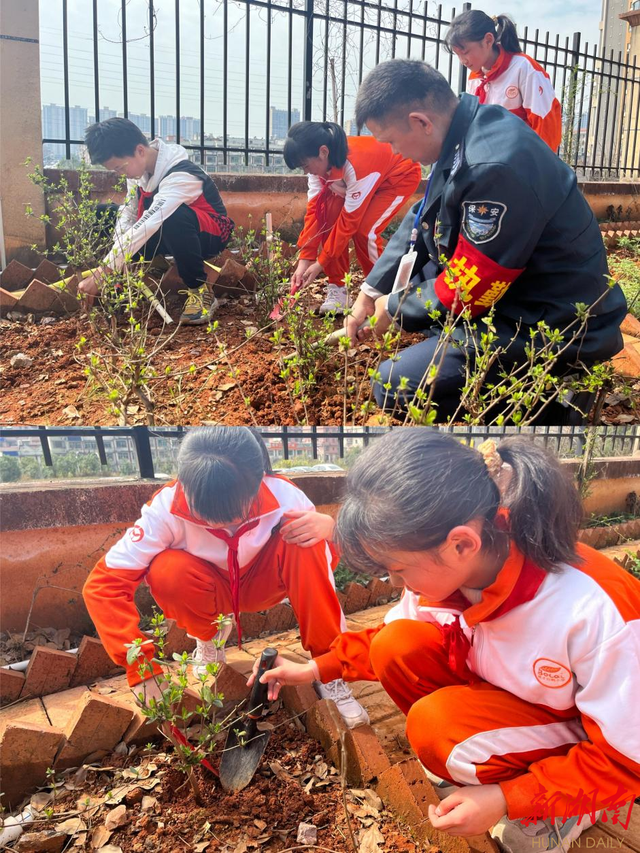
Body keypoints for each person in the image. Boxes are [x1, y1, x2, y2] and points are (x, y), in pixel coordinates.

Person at [249, 430, 640, 852]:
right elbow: (389, 639)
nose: (396, 582)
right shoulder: (456, 570)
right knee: (395, 646)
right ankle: (486, 766)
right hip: (520, 703)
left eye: (398, 569)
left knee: (436, 727)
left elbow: (629, 758)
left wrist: (508, 799)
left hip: (596, 738)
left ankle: (567, 808)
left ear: (461, 543)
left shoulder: (593, 610)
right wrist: (311, 669)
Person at [344, 59, 626, 422]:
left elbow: (474, 284)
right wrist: (370, 293)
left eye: (392, 142)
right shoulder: (466, 130)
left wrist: (396, 308)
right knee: (428, 287)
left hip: (553, 323)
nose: (395, 153)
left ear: (420, 122)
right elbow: (422, 219)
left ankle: (558, 410)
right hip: (523, 294)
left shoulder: (492, 165)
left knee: (394, 385)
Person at [82, 426, 369, 728]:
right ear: (184, 486)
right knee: (166, 570)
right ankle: (210, 639)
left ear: (258, 484)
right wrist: (142, 668)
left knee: (305, 543)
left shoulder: (285, 497)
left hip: (263, 584)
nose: (215, 523)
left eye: (231, 515)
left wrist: (331, 531)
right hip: (209, 590)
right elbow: (103, 586)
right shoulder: (164, 510)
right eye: (203, 514)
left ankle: (329, 670)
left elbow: (325, 567)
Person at [81, 118, 234, 325]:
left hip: (208, 235)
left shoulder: (181, 174)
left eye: (119, 167)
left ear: (140, 151)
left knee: (171, 215)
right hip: (163, 229)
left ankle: (199, 290)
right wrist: (118, 261)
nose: (120, 173)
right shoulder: (138, 172)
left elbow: (150, 222)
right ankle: (120, 284)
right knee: (103, 213)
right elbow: (129, 214)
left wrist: (102, 272)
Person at [285, 121, 421, 314]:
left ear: (323, 152)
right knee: (327, 212)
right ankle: (338, 288)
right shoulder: (318, 168)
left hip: (397, 178)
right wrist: (305, 260)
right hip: (367, 180)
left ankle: (382, 292)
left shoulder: (357, 166)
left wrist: (320, 263)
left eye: (305, 165)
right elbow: (315, 212)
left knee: (366, 232)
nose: (306, 172)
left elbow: (349, 223)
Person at [446, 10, 562, 151]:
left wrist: (535, 168)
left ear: (488, 40)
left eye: (465, 52)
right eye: (458, 55)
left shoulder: (523, 68)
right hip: (491, 162)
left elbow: (545, 126)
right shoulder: (475, 78)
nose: (462, 61)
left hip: (522, 162)